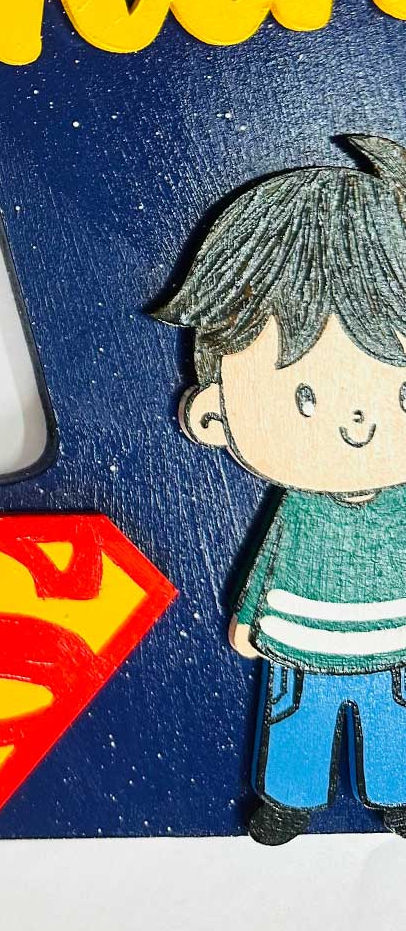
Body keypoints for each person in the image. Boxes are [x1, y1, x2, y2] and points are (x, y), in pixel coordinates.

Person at [156, 135, 406, 844]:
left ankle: (397, 794)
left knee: (394, 721)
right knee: (297, 718)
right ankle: (288, 800)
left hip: (395, 641)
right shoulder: (297, 506)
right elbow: (269, 560)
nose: (358, 424)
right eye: (305, 397)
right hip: (299, 638)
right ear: (213, 412)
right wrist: (248, 618)